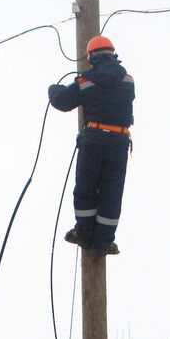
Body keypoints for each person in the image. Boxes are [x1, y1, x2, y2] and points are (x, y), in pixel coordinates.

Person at [48, 34, 135, 256]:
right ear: (113, 55)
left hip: (94, 140)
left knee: (86, 189)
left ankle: (85, 234)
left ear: (92, 57)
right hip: (119, 142)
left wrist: (53, 88)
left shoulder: (86, 81)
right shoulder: (128, 81)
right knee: (112, 193)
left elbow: (62, 101)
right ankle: (104, 242)